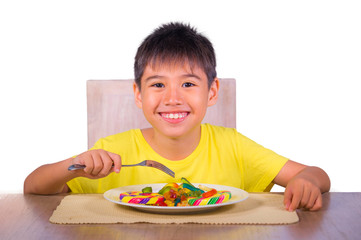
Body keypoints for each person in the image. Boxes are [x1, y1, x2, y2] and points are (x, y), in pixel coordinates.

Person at [24, 22, 330, 211]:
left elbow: (318, 175)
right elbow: (33, 187)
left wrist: (306, 182)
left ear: (211, 92)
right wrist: (76, 166)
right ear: (138, 94)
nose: (172, 98)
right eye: (158, 84)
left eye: (187, 84)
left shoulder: (234, 146)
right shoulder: (112, 149)